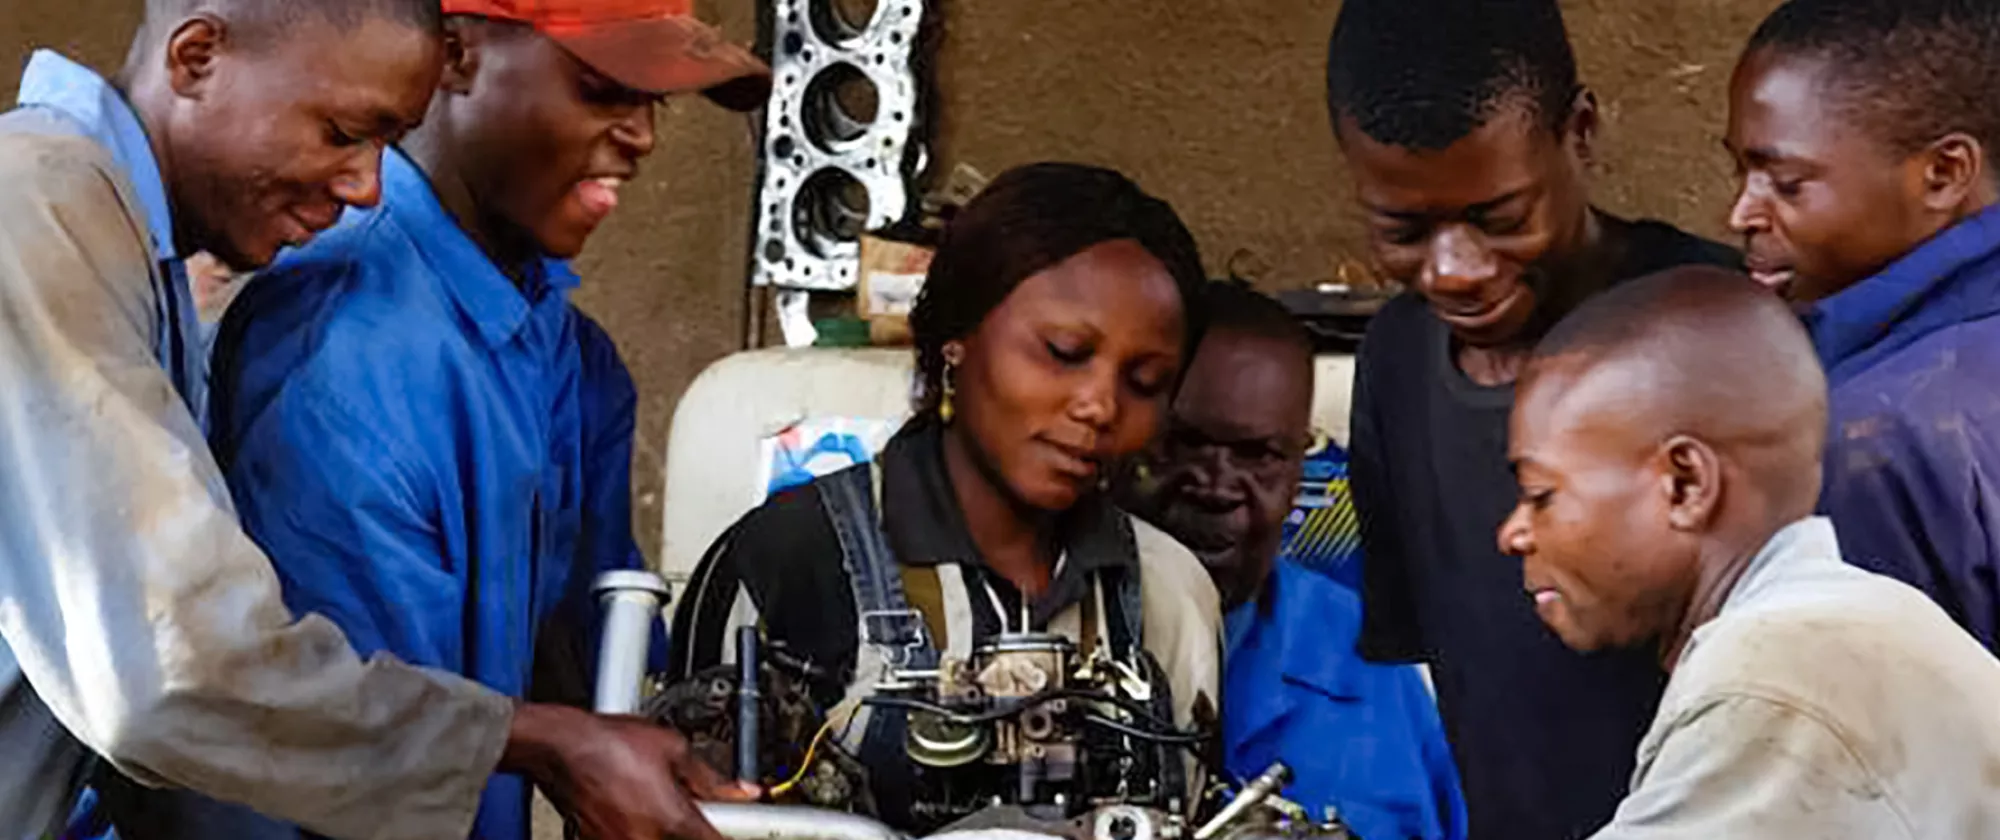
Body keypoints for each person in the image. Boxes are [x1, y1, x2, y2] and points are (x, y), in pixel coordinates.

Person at [0, 1, 755, 838]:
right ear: (198, 55)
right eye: (339, 132)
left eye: (383, 142)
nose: (365, 188)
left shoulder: (126, 243)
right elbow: (169, 673)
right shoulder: (38, 206)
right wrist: (537, 739)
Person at [668, 163, 1223, 833]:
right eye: (1064, 351)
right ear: (957, 338)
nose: (1100, 405)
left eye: (1145, 381)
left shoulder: (1168, 593)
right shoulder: (780, 563)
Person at [1324, 0, 1743, 835]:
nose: (1454, 270)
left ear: (1580, 132)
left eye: (1500, 218)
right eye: (1402, 229)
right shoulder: (1398, 359)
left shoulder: (1731, 337)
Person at [1500, 265, 2000, 837]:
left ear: (1685, 485)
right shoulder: (1846, 622)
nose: (1513, 532)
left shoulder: (1776, 675)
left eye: (1542, 495)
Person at [1119, 281, 1466, 840]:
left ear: (1298, 467)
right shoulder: (1044, 638)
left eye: (1258, 455)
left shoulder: (1370, 664)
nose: (1215, 485)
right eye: (1181, 442)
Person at [1725, 0, 2000, 650]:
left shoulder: (1865, 438)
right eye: (1739, 171)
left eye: (1786, 183)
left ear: (1943, 173)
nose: (1741, 212)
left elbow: (1889, 733)